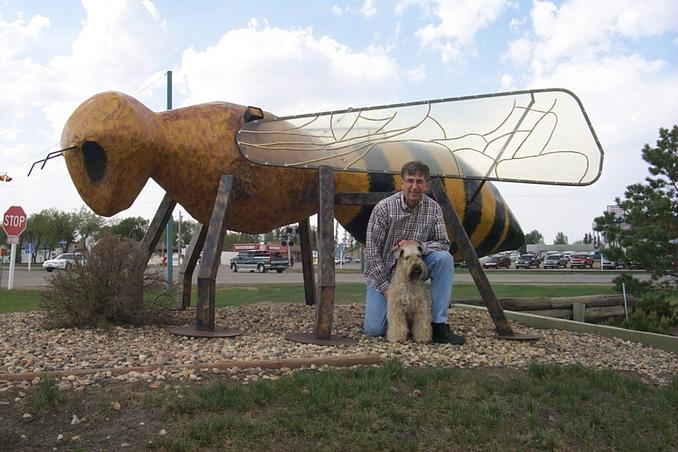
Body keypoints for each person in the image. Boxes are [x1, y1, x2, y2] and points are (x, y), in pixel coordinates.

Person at [363, 161, 465, 345]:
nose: (414, 186)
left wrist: (419, 245)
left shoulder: (433, 209)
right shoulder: (383, 209)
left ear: (426, 185)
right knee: (374, 329)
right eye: (410, 181)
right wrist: (386, 289)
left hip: (416, 267)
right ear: (401, 183)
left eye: (419, 182)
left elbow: (444, 243)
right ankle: (398, 321)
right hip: (384, 272)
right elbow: (371, 251)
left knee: (444, 259)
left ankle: (439, 324)